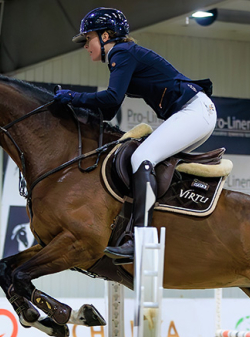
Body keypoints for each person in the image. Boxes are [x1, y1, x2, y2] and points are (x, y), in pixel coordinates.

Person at [56, 7, 217, 261]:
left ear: (106, 36)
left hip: (195, 111)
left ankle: (139, 239)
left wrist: (72, 96)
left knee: (141, 157)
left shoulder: (121, 52)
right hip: (196, 111)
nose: (86, 45)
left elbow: (111, 98)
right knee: (148, 157)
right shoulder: (122, 55)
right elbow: (109, 110)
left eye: (88, 39)